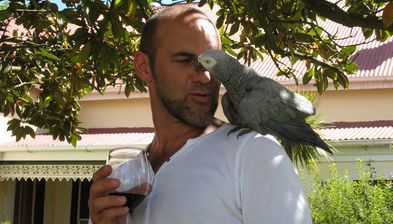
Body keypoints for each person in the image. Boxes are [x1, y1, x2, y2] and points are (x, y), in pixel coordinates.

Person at [88, 5, 312, 224]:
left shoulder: (254, 153)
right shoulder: (125, 180)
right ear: (145, 67)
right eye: (185, 61)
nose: (205, 77)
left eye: (211, 63)